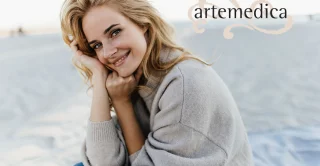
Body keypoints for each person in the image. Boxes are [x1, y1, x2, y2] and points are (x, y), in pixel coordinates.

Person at [60, 0, 254, 165]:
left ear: (142, 23)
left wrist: (122, 104)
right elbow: (102, 161)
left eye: (115, 32)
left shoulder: (185, 86)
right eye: (97, 45)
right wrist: (99, 78)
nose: (108, 52)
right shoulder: (130, 77)